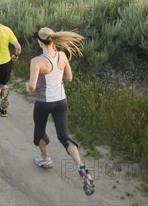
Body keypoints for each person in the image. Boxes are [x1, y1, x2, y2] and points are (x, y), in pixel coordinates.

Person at [27, 27, 94, 192]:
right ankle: (80, 166)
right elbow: (69, 78)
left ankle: (45, 159)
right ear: (53, 39)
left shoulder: (37, 61)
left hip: (44, 103)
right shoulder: (62, 55)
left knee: (39, 132)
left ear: (39, 41)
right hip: (61, 101)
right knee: (64, 136)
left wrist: (26, 85)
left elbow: (32, 87)